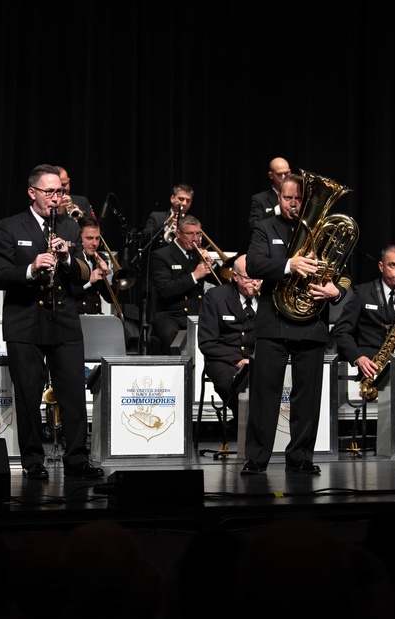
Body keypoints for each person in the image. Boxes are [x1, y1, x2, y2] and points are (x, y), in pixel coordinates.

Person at [0, 163, 103, 481]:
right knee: (28, 394)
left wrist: (67, 258)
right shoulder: (10, 226)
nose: (56, 198)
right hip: (25, 321)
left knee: (72, 394)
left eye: (60, 192)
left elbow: (82, 274)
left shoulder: (68, 227)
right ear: (33, 193)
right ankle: (33, 460)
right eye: (50, 192)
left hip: (64, 320)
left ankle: (77, 458)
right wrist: (31, 268)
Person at [241, 173, 349, 475]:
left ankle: (301, 457)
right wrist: (290, 265)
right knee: (265, 395)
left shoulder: (323, 230)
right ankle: (256, 458)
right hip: (273, 323)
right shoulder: (264, 227)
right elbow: (253, 264)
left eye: (299, 199)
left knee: (307, 397)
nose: (294, 204)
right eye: (288, 198)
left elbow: (343, 271)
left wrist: (335, 291)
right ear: (279, 198)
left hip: (311, 323)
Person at [332, 243, 395, 384]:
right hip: (370, 366)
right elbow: (341, 332)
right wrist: (359, 358)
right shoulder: (362, 293)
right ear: (381, 266)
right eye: (393, 265)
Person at [197, 254, 260, 420]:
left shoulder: (268, 298)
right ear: (236, 276)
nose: (255, 283)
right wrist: (237, 360)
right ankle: (245, 425)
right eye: (249, 278)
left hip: (257, 358)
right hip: (223, 359)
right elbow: (207, 342)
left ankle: (248, 427)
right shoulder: (215, 297)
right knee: (229, 383)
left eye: (258, 277)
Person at [148, 214, 218, 355]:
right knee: (170, 335)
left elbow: (222, 282)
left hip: (197, 313)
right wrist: (194, 276)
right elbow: (165, 289)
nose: (195, 239)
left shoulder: (198, 254)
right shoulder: (161, 255)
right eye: (190, 234)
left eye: (198, 234)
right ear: (178, 233)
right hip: (170, 314)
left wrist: (212, 264)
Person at [73, 217, 116, 315]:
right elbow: (65, 294)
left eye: (97, 238)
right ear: (79, 238)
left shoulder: (100, 257)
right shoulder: (71, 259)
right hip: (76, 317)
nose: (95, 243)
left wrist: (108, 275)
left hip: (95, 315)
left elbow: (110, 299)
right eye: (89, 238)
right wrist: (89, 281)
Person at [140, 183, 194, 251]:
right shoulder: (156, 217)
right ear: (172, 198)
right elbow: (144, 239)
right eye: (181, 199)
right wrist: (165, 224)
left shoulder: (192, 222)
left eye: (188, 201)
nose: (184, 203)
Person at [248, 156, 291, 229]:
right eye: (279, 174)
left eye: (286, 173)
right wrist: (276, 210)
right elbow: (254, 224)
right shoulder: (260, 199)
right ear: (271, 175)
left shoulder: (299, 197)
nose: (283, 177)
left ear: (290, 171)